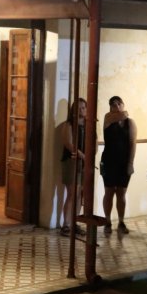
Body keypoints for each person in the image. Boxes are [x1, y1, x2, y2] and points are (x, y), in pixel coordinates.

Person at [100, 96, 137, 236]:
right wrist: (123, 113)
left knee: (121, 193)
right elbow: (123, 115)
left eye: (119, 104)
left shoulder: (130, 123)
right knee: (109, 192)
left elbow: (132, 143)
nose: (116, 106)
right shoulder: (108, 118)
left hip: (124, 162)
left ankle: (121, 222)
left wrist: (130, 163)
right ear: (110, 107)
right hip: (109, 161)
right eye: (113, 104)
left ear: (123, 104)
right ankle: (107, 221)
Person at [58, 98, 86, 236]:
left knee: (80, 194)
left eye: (83, 107)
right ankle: (66, 224)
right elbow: (68, 143)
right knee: (71, 193)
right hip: (71, 161)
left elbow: (94, 141)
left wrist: (89, 156)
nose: (81, 110)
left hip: (84, 162)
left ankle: (75, 222)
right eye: (78, 108)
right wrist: (82, 155)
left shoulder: (88, 124)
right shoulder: (68, 125)